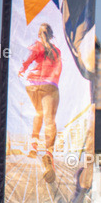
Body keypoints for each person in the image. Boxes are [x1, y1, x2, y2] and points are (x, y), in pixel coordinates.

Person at [18, 22, 62, 184]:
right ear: (51, 35)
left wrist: (22, 70)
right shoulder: (56, 51)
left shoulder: (36, 47)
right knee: (50, 118)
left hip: (33, 83)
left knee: (39, 113)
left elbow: (28, 60)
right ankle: (48, 151)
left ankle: (33, 145)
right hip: (49, 84)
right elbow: (58, 69)